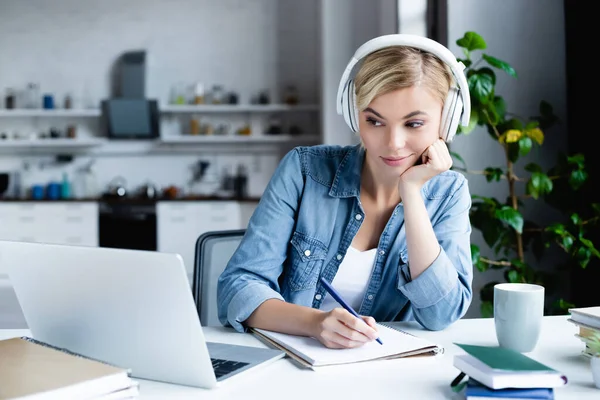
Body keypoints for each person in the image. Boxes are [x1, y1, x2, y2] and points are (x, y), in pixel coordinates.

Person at [217, 34, 473, 349]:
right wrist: (315, 324)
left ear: (446, 123)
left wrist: (412, 191)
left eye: (414, 124)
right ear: (355, 115)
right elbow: (238, 288)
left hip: (385, 371)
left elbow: (441, 315)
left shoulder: (450, 193)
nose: (393, 142)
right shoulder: (304, 171)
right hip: (289, 365)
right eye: (375, 121)